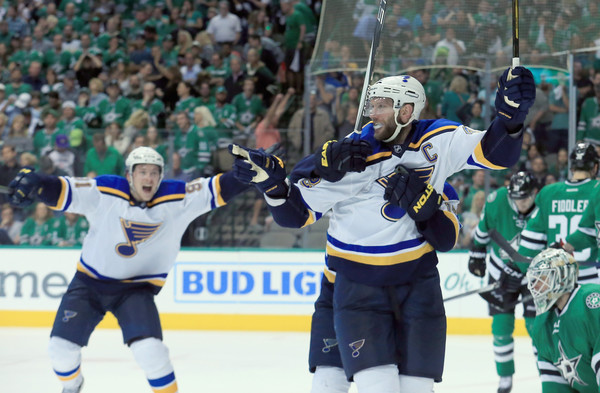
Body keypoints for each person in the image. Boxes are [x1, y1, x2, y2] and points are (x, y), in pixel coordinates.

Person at [229, 67, 535, 392]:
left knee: (418, 388)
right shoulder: (349, 156)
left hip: (417, 284)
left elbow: (494, 155)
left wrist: (510, 119)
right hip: (355, 286)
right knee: (353, 385)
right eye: (371, 104)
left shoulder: (438, 140)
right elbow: (296, 213)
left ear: (406, 111)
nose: (371, 112)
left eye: (381, 105)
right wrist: (281, 184)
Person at [6, 146, 249, 393]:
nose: (149, 178)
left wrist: (247, 173)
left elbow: (217, 189)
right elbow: (64, 190)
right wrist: (38, 184)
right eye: (142, 172)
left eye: (155, 173)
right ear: (129, 175)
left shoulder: (177, 198)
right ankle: (72, 386)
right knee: (60, 350)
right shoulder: (106, 190)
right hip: (88, 284)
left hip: (135, 290)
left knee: (152, 352)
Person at [467, 171, 540, 393]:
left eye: (526, 198)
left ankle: (548, 372)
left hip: (533, 276)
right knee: (501, 327)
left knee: (537, 328)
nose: (521, 203)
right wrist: (476, 253)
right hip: (500, 272)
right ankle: (505, 377)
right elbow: (482, 230)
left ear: (534, 193)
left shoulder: (544, 205)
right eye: (517, 198)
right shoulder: (496, 200)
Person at [518, 142, 600, 284]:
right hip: (592, 278)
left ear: (572, 167)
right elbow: (587, 232)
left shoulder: (548, 192)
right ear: (595, 167)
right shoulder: (597, 190)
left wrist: (518, 268)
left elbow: (532, 238)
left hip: (558, 280)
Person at [525, 247, 600, 392]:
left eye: (542, 278)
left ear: (562, 278)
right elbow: (554, 387)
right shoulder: (542, 325)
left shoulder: (592, 301)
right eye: (533, 280)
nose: (534, 286)